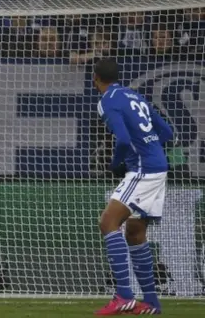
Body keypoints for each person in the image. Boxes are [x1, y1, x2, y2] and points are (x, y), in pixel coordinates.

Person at [93, 58, 173, 315]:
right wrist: (149, 147)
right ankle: (150, 301)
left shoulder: (107, 101)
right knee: (135, 232)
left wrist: (116, 163)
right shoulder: (134, 95)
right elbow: (167, 132)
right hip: (158, 166)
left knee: (107, 222)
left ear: (96, 79)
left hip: (142, 169)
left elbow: (124, 139)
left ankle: (124, 296)